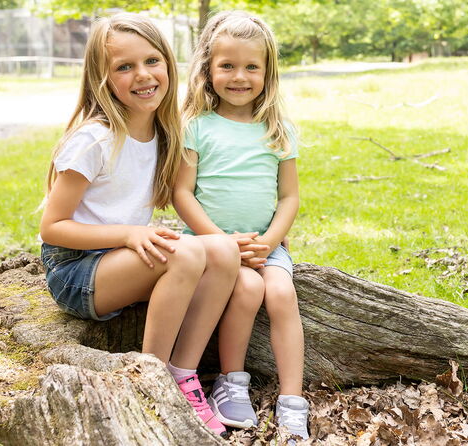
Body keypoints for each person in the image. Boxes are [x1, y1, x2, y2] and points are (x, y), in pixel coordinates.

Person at [38, 12, 238, 437]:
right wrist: (130, 234)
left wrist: (233, 233)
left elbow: (186, 200)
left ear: (168, 63)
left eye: (152, 61)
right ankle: (149, 385)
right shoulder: (94, 139)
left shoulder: (164, 133)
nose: (142, 75)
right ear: (101, 79)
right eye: (124, 67)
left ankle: (182, 374)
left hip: (125, 258)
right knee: (184, 252)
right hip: (77, 270)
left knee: (221, 250)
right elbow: (52, 227)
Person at [173, 10, 308, 441]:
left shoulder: (278, 129)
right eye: (227, 65)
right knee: (247, 291)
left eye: (252, 67)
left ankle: (292, 401)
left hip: (264, 244)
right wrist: (220, 241)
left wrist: (268, 243)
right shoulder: (195, 127)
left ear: (267, 73)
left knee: (281, 293)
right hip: (210, 245)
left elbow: (289, 197)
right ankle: (231, 386)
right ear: (208, 70)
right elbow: (182, 194)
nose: (239, 76)